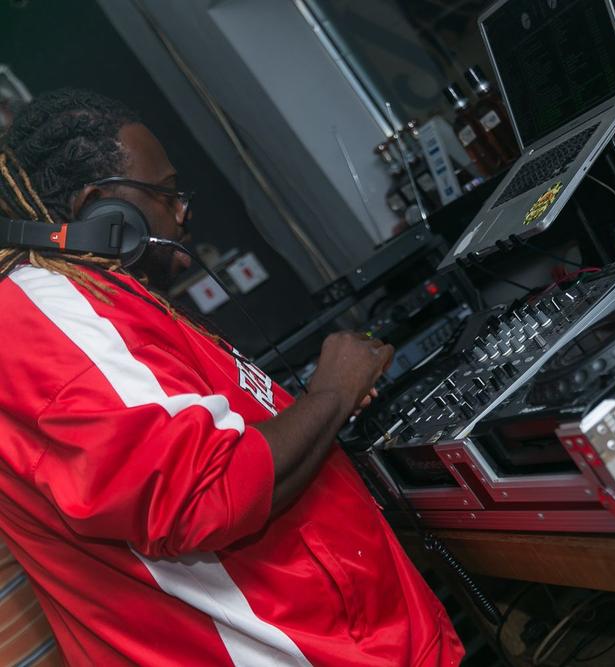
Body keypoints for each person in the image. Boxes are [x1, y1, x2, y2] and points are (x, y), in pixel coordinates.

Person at [0, 89, 464, 666]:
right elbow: (204, 494)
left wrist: (316, 411)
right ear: (100, 210)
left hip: (363, 635)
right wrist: (331, 393)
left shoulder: (95, 301)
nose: (183, 213)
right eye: (166, 193)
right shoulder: (45, 312)